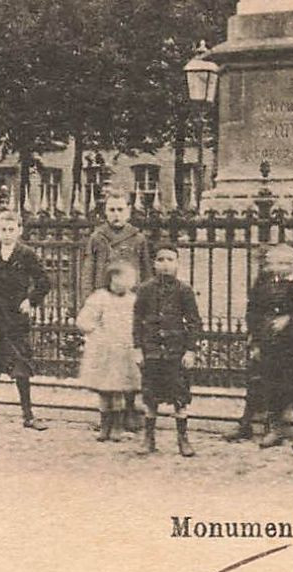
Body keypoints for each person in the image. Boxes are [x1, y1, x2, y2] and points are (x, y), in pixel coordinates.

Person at [0, 210, 52, 433]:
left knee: (20, 366)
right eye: (3, 230)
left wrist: (30, 301)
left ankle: (28, 416)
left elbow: (44, 281)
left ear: (19, 231)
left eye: (11, 230)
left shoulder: (26, 254)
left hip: (15, 320)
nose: (7, 234)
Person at [85, 192, 153, 428]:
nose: (116, 214)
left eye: (120, 209)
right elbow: (89, 270)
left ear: (129, 210)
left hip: (130, 303)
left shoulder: (138, 239)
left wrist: (146, 302)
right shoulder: (97, 237)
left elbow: (146, 272)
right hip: (106, 303)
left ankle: (130, 408)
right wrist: (89, 300)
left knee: (130, 359)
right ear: (105, 212)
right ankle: (108, 416)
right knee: (107, 361)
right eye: (112, 210)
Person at [244, 244, 293, 451]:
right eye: (275, 263)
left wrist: (289, 318)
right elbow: (253, 313)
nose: (278, 267)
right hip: (270, 344)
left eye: (284, 263)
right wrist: (256, 340)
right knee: (271, 384)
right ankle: (275, 429)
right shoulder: (263, 286)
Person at [134, 246, 204, 457]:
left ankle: (183, 438)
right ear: (154, 263)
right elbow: (137, 322)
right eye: (161, 259)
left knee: (180, 395)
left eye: (170, 259)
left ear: (177, 263)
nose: (165, 264)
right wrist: (137, 348)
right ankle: (149, 438)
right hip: (152, 351)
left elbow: (194, 322)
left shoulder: (184, 290)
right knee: (150, 395)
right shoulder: (145, 290)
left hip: (176, 351)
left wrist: (190, 350)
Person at [75, 261, 141, 443]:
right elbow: (83, 321)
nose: (131, 282)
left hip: (124, 351)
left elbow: (139, 323)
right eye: (127, 277)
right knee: (104, 391)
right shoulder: (99, 297)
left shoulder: (133, 300)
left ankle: (118, 427)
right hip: (104, 351)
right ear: (114, 278)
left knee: (119, 390)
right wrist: (97, 332)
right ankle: (105, 426)